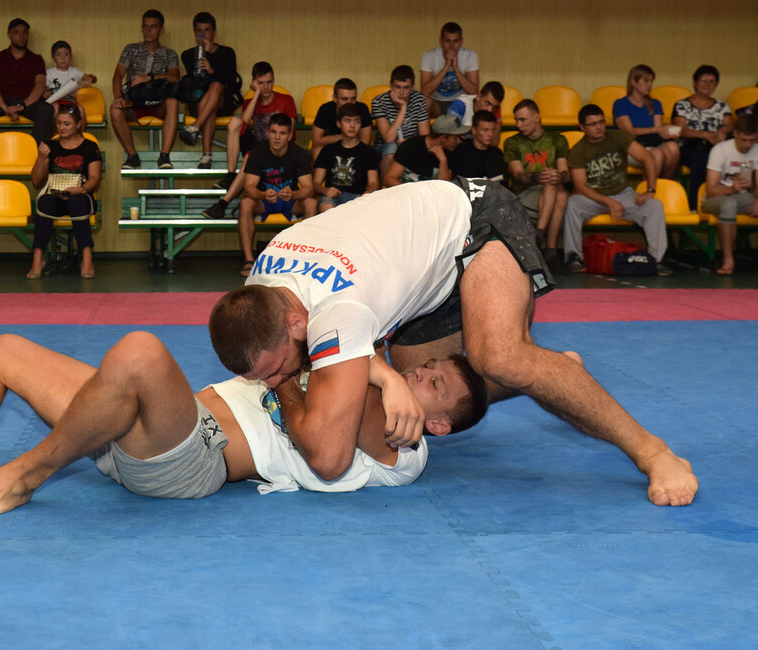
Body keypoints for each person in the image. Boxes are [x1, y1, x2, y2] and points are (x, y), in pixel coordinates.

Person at [209, 177, 698, 507]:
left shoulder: (339, 305)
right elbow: (350, 357)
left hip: (472, 220)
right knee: (419, 394)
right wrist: (384, 376)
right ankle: (552, 375)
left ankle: (653, 452)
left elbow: (331, 455)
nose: (275, 378)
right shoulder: (261, 291)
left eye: (275, 368)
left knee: (499, 357)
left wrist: (369, 375)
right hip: (417, 270)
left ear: (297, 322)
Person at [0, 331, 487, 514]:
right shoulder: (375, 383)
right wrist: (386, 371)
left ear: (441, 427)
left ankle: (28, 473)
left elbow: (347, 379)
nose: (422, 377)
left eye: (437, 386)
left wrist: (383, 377)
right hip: (151, 427)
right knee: (4, 352)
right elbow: (351, 352)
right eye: (427, 369)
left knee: (139, 351)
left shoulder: (401, 444)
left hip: (193, 459)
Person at [564, 104, 671, 275]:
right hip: (593, 198)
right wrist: (609, 202)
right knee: (572, 203)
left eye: (601, 122)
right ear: (582, 127)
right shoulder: (578, 150)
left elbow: (648, 158)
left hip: (623, 195)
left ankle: (655, 260)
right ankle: (574, 258)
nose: (599, 127)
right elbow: (580, 187)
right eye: (593, 124)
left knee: (654, 206)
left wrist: (651, 189)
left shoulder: (617, 136)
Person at [203, 62, 298, 220]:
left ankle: (223, 204)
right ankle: (231, 175)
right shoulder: (250, 102)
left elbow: (290, 132)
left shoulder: (286, 100)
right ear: (254, 82)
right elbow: (243, 123)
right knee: (235, 122)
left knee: (250, 157)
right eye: (261, 83)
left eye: (269, 82)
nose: (266, 87)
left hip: (280, 147)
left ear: (274, 80)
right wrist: (256, 94)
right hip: (259, 144)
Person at [27, 105, 101, 280]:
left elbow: (94, 178)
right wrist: (41, 158)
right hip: (56, 195)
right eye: (59, 123)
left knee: (77, 202)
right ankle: (38, 259)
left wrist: (81, 189)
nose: (62, 127)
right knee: (44, 203)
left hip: (80, 194)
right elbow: (36, 181)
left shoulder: (90, 147)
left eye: (67, 124)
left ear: (78, 125)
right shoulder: (50, 146)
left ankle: (87, 259)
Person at [238, 114, 316, 276]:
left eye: (282, 133)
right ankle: (248, 260)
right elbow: (248, 188)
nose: (277, 137)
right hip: (265, 200)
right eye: (273, 132)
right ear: (267, 133)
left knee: (311, 203)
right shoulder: (257, 153)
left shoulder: (299, 154)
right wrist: (262, 194)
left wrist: (293, 194)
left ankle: (304, 259)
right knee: (246, 203)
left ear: (289, 135)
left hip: (290, 200)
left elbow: (309, 189)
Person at [0, 18, 55, 146]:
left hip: (27, 103)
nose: (21, 36)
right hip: (1, 102)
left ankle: (35, 149)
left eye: (24, 33)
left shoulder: (36, 59)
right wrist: (5, 107)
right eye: (16, 32)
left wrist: (22, 106)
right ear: (9, 35)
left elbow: (40, 86)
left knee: (46, 109)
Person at [504, 99, 570, 268]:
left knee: (559, 193)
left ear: (536, 118)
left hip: (550, 195)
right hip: (524, 196)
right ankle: (550, 250)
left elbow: (565, 173)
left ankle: (541, 238)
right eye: (516, 120)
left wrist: (558, 176)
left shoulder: (557, 139)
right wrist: (539, 177)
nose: (518, 125)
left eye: (522, 120)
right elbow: (518, 175)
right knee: (555, 188)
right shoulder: (512, 142)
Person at [111, 9, 180, 170]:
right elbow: (118, 75)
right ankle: (132, 156)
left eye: (153, 27)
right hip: (134, 102)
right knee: (115, 109)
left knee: (173, 102)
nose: (148, 30)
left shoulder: (170, 54)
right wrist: (117, 97)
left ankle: (164, 156)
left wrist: (150, 77)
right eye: (145, 26)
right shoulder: (131, 49)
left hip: (158, 102)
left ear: (161, 30)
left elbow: (175, 78)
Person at [177, 12, 241, 169]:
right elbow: (196, 80)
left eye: (207, 30)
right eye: (199, 30)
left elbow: (230, 82)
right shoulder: (188, 55)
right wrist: (203, 52)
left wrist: (211, 69)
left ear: (214, 32)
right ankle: (206, 156)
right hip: (199, 101)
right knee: (210, 107)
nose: (203, 34)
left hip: (224, 100)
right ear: (195, 33)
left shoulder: (227, 53)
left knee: (216, 86)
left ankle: (196, 127)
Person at [700, 114, 758, 275]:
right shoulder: (721, 150)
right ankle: (728, 259)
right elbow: (711, 190)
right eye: (744, 140)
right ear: (735, 133)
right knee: (729, 204)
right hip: (715, 198)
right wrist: (732, 189)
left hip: (744, 197)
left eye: (752, 140)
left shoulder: (757, 150)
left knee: (735, 203)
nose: (748, 145)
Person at [672, 65, 733, 203]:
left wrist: (722, 132)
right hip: (689, 147)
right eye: (703, 80)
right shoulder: (682, 105)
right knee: (702, 159)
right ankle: (696, 204)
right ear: (695, 82)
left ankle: (726, 200)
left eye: (712, 81)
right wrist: (706, 135)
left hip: (716, 146)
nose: (707, 84)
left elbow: (729, 124)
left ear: (716, 85)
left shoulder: (722, 106)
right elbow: (681, 130)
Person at [613, 64, 680, 179]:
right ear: (634, 82)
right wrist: (657, 129)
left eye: (651, 81)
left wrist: (667, 132)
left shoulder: (655, 104)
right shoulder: (620, 104)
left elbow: (658, 130)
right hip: (631, 146)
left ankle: (663, 184)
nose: (650, 85)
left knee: (673, 148)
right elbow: (629, 131)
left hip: (651, 143)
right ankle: (649, 188)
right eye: (646, 81)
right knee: (656, 154)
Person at [312, 103, 379, 212]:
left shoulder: (368, 152)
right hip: (332, 197)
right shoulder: (328, 150)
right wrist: (325, 190)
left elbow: (373, 183)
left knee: (362, 209)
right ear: (339, 123)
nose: (352, 126)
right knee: (326, 206)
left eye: (357, 121)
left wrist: (366, 194)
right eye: (347, 121)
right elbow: (316, 184)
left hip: (357, 196)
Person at [371, 65, 430, 177]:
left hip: (412, 144)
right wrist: (403, 108)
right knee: (391, 148)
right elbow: (388, 138)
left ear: (412, 87)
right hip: (384, 147)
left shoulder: (419, 99)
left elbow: (425, 135)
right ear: (390, 85)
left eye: (406, 88)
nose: (401, 92)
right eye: (397, 87)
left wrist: (408, 143)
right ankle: (388, 186)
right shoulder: (379, 102)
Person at [382, 114, 466, 186]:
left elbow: (444, 186)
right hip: (408, 193)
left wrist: (443, 161)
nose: (459, 141)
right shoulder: (411, 146)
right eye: (455, 138)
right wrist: (412, 192)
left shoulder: (453, 151)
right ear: (443, 137)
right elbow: (389, 179)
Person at [420, 22, 480, 117]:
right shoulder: (429, 56)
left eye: (455, 41)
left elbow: (474, 92)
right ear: (441, 41)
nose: (452, 46)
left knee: (480, 102)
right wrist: (446, 67)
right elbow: (424, 92)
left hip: (461, 102)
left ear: (461, 41)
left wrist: (456, 68)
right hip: (437, 103)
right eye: (447, 41)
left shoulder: (470, 56)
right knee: (425, 102)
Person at [310, 78, 373, 162]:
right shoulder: (325, 109)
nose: (349, 102)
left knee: (367, 152)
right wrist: (342, 137)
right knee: (317, 150)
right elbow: (316, 141)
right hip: (330, 147)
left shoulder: (362, 109)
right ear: (335, 98)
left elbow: (365, 141)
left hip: (354, 147)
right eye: (344, 99)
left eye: (353, 99)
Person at [44, 40, 97, 128]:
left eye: (66, 54)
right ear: (53, 58)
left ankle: (81, 134)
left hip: (70, 102)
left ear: (71, 57)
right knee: (55, 108)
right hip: (56, 102)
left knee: (80, 109)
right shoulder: (49, 73)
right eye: (59, 55)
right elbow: (44, 89)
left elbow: (91, 78)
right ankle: (55, 134)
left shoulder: (74, 71)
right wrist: (46, 93)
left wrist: (89, 78)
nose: (63, 58)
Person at [447, 110, 504, 182]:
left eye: (492, 130)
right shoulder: (460, 152)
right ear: (474, 130)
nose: (490, 134)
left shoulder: (497, 154)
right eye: (485, 130)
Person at [445, 80, 505, 146]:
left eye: (494, 107)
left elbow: (494, 144)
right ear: (479, 96)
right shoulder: (460, 105)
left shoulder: (495, 109)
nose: (489, 110)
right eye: (487, 103)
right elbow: (449, 138)